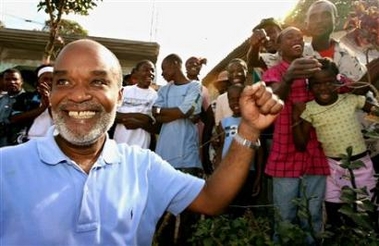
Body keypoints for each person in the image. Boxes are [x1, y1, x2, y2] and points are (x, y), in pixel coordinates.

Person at [0, 39, 283, 245]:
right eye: (63, 82)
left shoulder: (143, 166)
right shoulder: (6, 166)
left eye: (97, 82)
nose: (77, 95)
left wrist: (248, 130)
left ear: (120, 96)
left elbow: (212, 199)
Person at [292, 57, 377, 231]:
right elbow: (300, 144)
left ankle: (367, 238)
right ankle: (340, 237)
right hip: (332, 167)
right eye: (317, 84)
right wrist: (296, 118)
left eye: (329, 82)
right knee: (334, 209)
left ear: (337, 80)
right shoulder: (310, 109)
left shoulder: (350, 99)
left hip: (360, 164)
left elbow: (374, 111)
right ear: (310, 86)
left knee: (365, 208)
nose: (323, 88)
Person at [262, 26, 329, 244]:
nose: (296, 39)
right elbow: (272, 100)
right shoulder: (272, 73)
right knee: (284, 219)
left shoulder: (314, 69)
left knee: (313, 217)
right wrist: (289, 76)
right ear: (279, 46)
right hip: (285, 155)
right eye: (289, 36)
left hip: (315, 153)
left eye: (300, 37)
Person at [215, 83, 263, 217]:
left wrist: (258, 178)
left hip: (248, 171)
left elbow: (259, 151)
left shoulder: (252, 121)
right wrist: (218, 169)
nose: (235, 103)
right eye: (231, 99)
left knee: (245, 206)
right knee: (230, 207)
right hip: (227, 171)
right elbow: (220, 147)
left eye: (239, 99)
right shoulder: (224, 122)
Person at [113, 60, 158, 149]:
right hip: (119, 145)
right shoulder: (124, 91)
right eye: (146, 69)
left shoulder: (156, 96)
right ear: (136, 72)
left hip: (141, 148)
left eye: (152, 70)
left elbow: (153, 124)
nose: (150, 73)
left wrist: (140, 122)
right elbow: (112, 116)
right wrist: (139, 116)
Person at [246, 17, 283, 83]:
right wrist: (255, 47)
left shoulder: (298, 49)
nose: (267, 38)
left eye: (271, 32)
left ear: (281, 32)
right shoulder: (265, 60)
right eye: (262, 35)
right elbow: (252, 62)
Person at [23, 64, 54, 140]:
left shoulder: (64, 98)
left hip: (52, 141)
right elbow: (15, 118)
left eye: (52, 79)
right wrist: (42, 108)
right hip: (29, 139)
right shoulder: (27, 97)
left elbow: (60, 120)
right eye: (45, 79)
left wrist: (49, 103)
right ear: (38, 81)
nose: (49, 82)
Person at [0, 68, 26, 146]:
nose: (11, 82)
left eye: (15, 79)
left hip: (18, 143)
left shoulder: (28, 99)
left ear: (21, 81)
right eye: (7, 79)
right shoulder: (1, 100)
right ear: (3, 81)